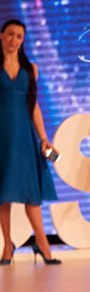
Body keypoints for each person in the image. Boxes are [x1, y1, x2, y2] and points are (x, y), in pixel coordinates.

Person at [0, 18, 62, 265]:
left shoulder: (30, 69)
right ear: (1, 35)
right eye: (10, 34)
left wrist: (44, 138)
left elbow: (34, 106)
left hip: (24, 134)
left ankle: (42, 244)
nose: (14, 40)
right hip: (2, 134)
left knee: (31, 194)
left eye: (19, 36)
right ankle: (7, 245)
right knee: (3, 194)